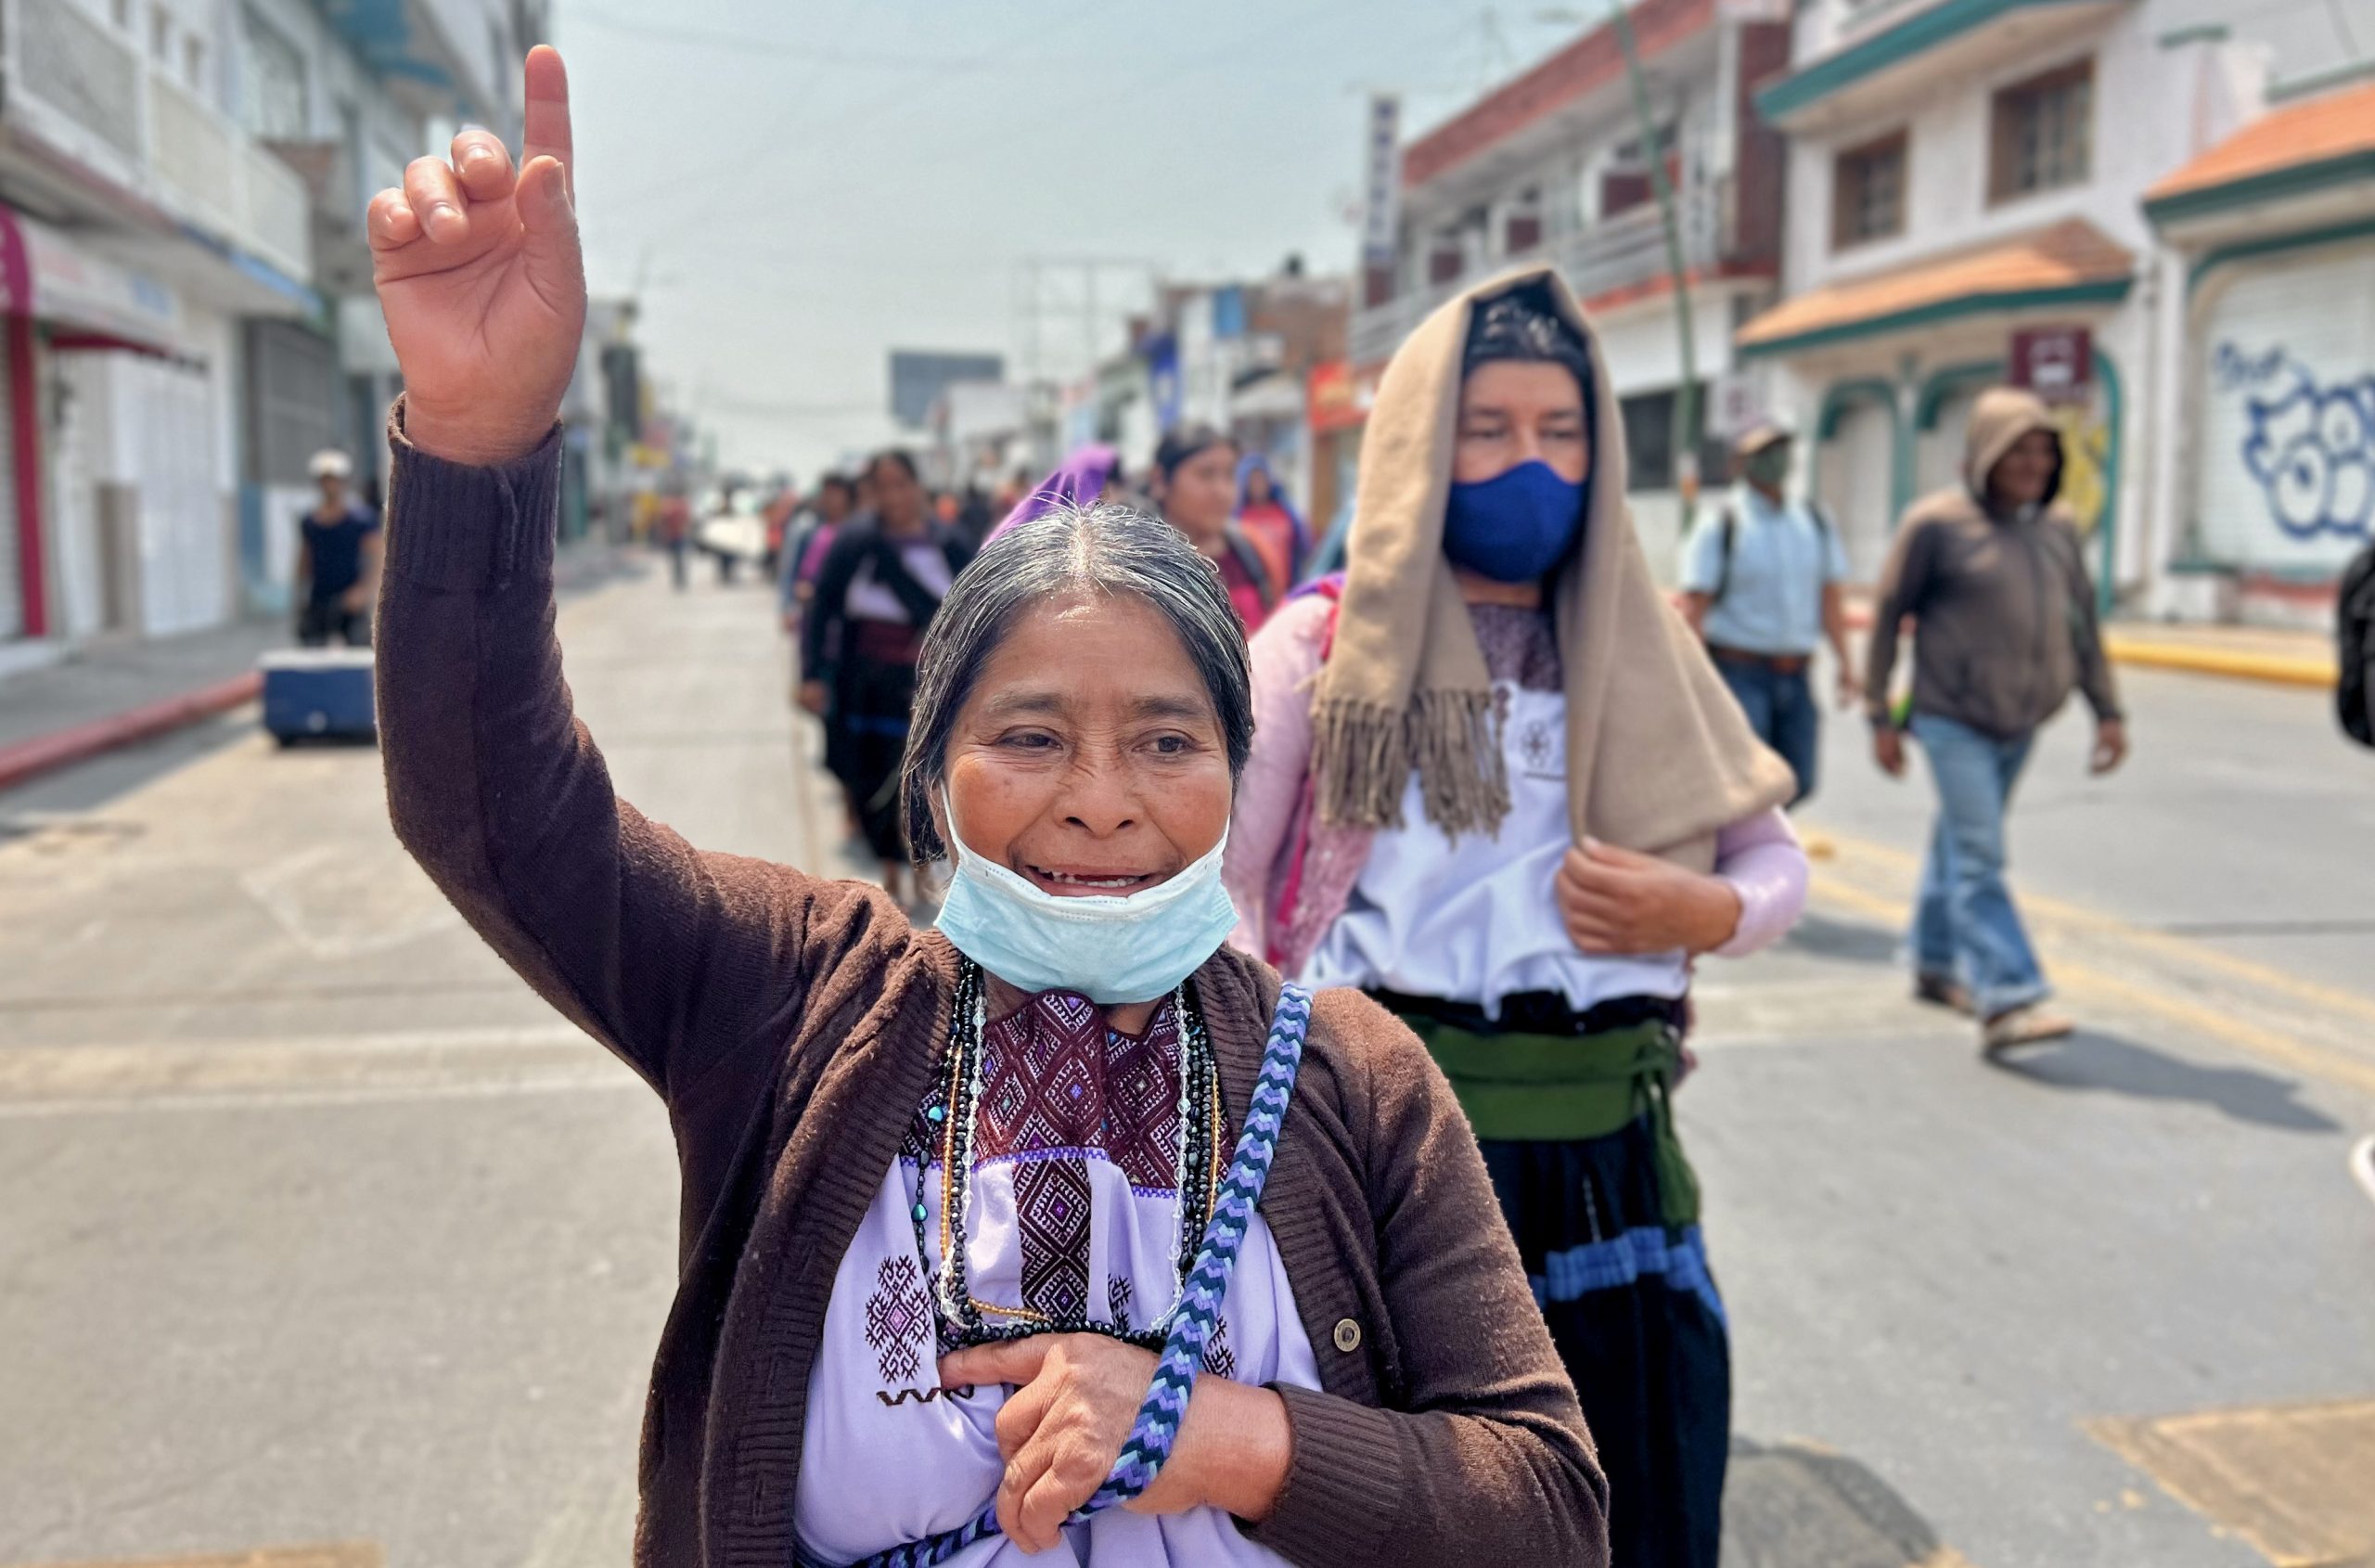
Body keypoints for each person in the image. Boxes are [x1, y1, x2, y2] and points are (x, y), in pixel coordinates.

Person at [363, 50, 1611, 1567]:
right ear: (938, 762)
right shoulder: (791, 997)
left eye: (1167, 742)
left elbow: (1549, 1504)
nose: (1099, 804)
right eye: (1029, 735)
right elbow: (491, 812)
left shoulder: (1358, 1077)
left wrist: (1226, 1434)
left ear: (1237, 766)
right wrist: (479, 439)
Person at [1225, 272, 1805, 1568]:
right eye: (1486, 429)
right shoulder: (1318, 652)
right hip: (1382, 1158)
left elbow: (1776, 860)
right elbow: (1218, 892)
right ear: (1420, 442)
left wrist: (1703, 905)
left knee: (1632, 1497)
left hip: (1609, 1171)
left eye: (1561, 430)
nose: (1527, 464)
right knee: (1410, 1508)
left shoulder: (1646, 647)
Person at [1865, 387, 2126, 1052]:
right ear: (1984, 454)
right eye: (2019, 450)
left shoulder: (2058, 529)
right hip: (1952, 715)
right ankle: (2007, 996)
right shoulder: (1935, 525)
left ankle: (1933, 960)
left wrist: (2108, 710)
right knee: (1981, 855)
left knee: (1958, 839)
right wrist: (1879, 714)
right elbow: (1889, 615)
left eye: (2045, 451)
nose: (2034, 464)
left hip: (2024, 717)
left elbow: (2084, 627)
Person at [801, 450, 975, 905]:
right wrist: (811, 673)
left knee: (925, 774)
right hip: (866, 682)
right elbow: (822, 609)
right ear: (871, 494)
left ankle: (921, 865)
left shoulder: (951, 543)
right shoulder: (854, 543)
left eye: (902, 483)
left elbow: (977, 611)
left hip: (930, 680)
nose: (894, 495)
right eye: (883, 486)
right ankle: (889, 867)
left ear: (919, 487)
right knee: (870, 771)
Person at [1677, 423, 1858, 806]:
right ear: (1740, 462)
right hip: (1740, 673)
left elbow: (1829, 597)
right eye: (1764, 452)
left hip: (1796, 675)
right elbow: (1695, 608)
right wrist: (1692, 680)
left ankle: (1763, 848)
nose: (1775, 461)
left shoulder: (1813, 519)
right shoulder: (1722, 523)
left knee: (1799, 779)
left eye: (1781, 450)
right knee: (1747, 782)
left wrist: (1846, 664)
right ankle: (1747, 858)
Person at [1149, 426, 1287, 634]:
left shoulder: (1252, 548)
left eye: (1230, 475)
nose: (1222, 491)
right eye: (1206, 474)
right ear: (1161, 480)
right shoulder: (1144, 563)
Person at [295, 448, 383, 648]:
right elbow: (304, 558)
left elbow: (378, 557)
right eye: (325, 480)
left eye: (334, 479)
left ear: (344, 482)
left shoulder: (361, 519)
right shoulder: (310, 521)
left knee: (358, 655)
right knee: (312, 652)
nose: (330, 485)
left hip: (351, 600)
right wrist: (299, 595)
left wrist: (365, 591)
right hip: (320, 598)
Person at [1234, 453, 1310, 585]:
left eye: (1261, 479)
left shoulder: (1285, 512)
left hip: (1288, 585)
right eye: (1252, 480)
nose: (1257, 485)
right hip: (1257, 588)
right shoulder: (1238, 517)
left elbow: (1302, 546)